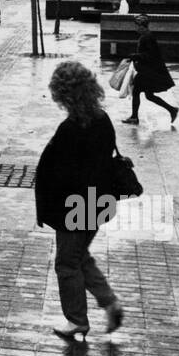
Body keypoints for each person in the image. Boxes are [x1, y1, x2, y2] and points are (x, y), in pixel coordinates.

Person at [34, 60, 123, 340]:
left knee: (66, 263)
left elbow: (62, 173)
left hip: (75, 206)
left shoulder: (71, 129)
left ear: (65, 94)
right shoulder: (102, 119)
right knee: (78, 256)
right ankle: (109, 302)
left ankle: (77, 321)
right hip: (98, 201)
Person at [124, 14, 179, 125]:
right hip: (149, 71)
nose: (135, 28)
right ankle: (172, 110)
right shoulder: (147, 36)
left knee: (136, 91)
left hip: (148, 72)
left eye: (137, 26)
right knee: (149, 95)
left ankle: (135, 117)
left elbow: (149, 55)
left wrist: (136, 56)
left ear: (141, 26)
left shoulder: (147, 37)